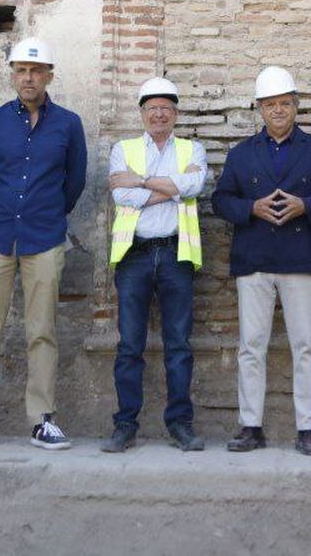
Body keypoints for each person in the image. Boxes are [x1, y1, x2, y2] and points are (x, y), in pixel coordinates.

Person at [0, 37, 87, 452]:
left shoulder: (68, 124)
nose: (28, 77)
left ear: (49, 76)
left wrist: (48, 212)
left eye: (36, 70)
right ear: (12, 75)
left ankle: (42, 420)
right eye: (21, 70)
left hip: (44, 237)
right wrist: (7, 210)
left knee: (41, 330)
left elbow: (74, 181)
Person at [212, 66, 311, 456]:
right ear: (259, 108)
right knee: (251, 346)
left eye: (284, 103)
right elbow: (220, 200)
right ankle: (250, 425)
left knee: (306, 346)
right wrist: (250, 208)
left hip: (300, 258)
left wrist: (305, 205)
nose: (277, 110)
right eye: (270, 104)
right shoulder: (241, 154)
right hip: (253, 259)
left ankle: (308, 428)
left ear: (296, 106)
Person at [100, 77, 208, 453]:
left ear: (175, 114)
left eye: (166, 108)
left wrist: (143, 181)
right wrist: (170, 188)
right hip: (135, 254)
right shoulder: (123, 148)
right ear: (143, 113)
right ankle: (125, 425)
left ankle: (180, 424)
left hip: (178, 253)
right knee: (130, 345)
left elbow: (194, 187)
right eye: (152, 108)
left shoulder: (191, 148)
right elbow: (121, 194)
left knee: (179, 344)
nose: (159, 114)